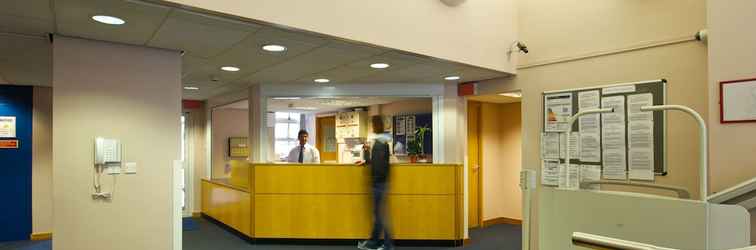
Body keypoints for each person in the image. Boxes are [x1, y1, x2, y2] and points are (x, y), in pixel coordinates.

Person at [357, 116, 393, 250]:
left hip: (379, 183)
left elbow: (378, 165)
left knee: (379, 215)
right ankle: (374, 242)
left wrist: (367, 157)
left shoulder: (379, 143)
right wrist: (366, 158)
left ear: (376, 125)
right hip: (381, 182)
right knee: (379, 214)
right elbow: (377, 162)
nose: (372, 127)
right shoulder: (383, 142)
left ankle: (386, 244)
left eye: (373, 124)